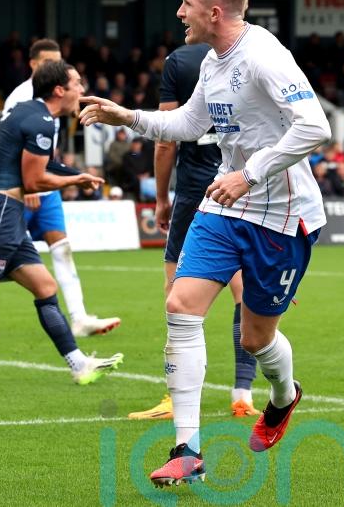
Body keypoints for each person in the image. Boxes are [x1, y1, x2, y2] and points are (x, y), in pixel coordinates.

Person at [79, 0, 330, 486]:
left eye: (186, 3)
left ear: (214, 12)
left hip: (283, 216)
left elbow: (315, 126)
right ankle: (187, 450)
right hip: (224, 207)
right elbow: (189, 125)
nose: (179, 12)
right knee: (180, 306)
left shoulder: (265, 56)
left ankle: (284, 396)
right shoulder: (213, 63)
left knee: (256, 338)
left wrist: (249, 173)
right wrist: (127, 116)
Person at [0, 60, 123, 392]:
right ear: (59, 89)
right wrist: (73, 181)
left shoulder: (31, 114)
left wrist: (77, 175)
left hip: (5, 213)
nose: (82, 90)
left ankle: (79, 365)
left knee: (45, 286)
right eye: (77, 83)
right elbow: (34, 180)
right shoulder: (41, 120)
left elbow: (44, 165)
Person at [128, 43, 260, 422]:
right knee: (243, 291)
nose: (182, 15)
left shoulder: (179, 61)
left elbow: (166, 139)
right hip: (239, 185)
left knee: (176, 292)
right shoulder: (251, 52)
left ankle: (175, 397)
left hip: (195, 190)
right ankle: (242, 393)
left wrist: (161, 197)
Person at [0, 38, 121, 339]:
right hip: (21, 187)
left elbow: (46, 151)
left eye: (58, 62)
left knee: (61, 246)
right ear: (33, 64)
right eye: (48, 62)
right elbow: (9, 144)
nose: (55, 67)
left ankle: (79, 317)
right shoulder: (21, 97)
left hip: (44, 180)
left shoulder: (57, 97)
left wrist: (73, 174)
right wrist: (32, 188)